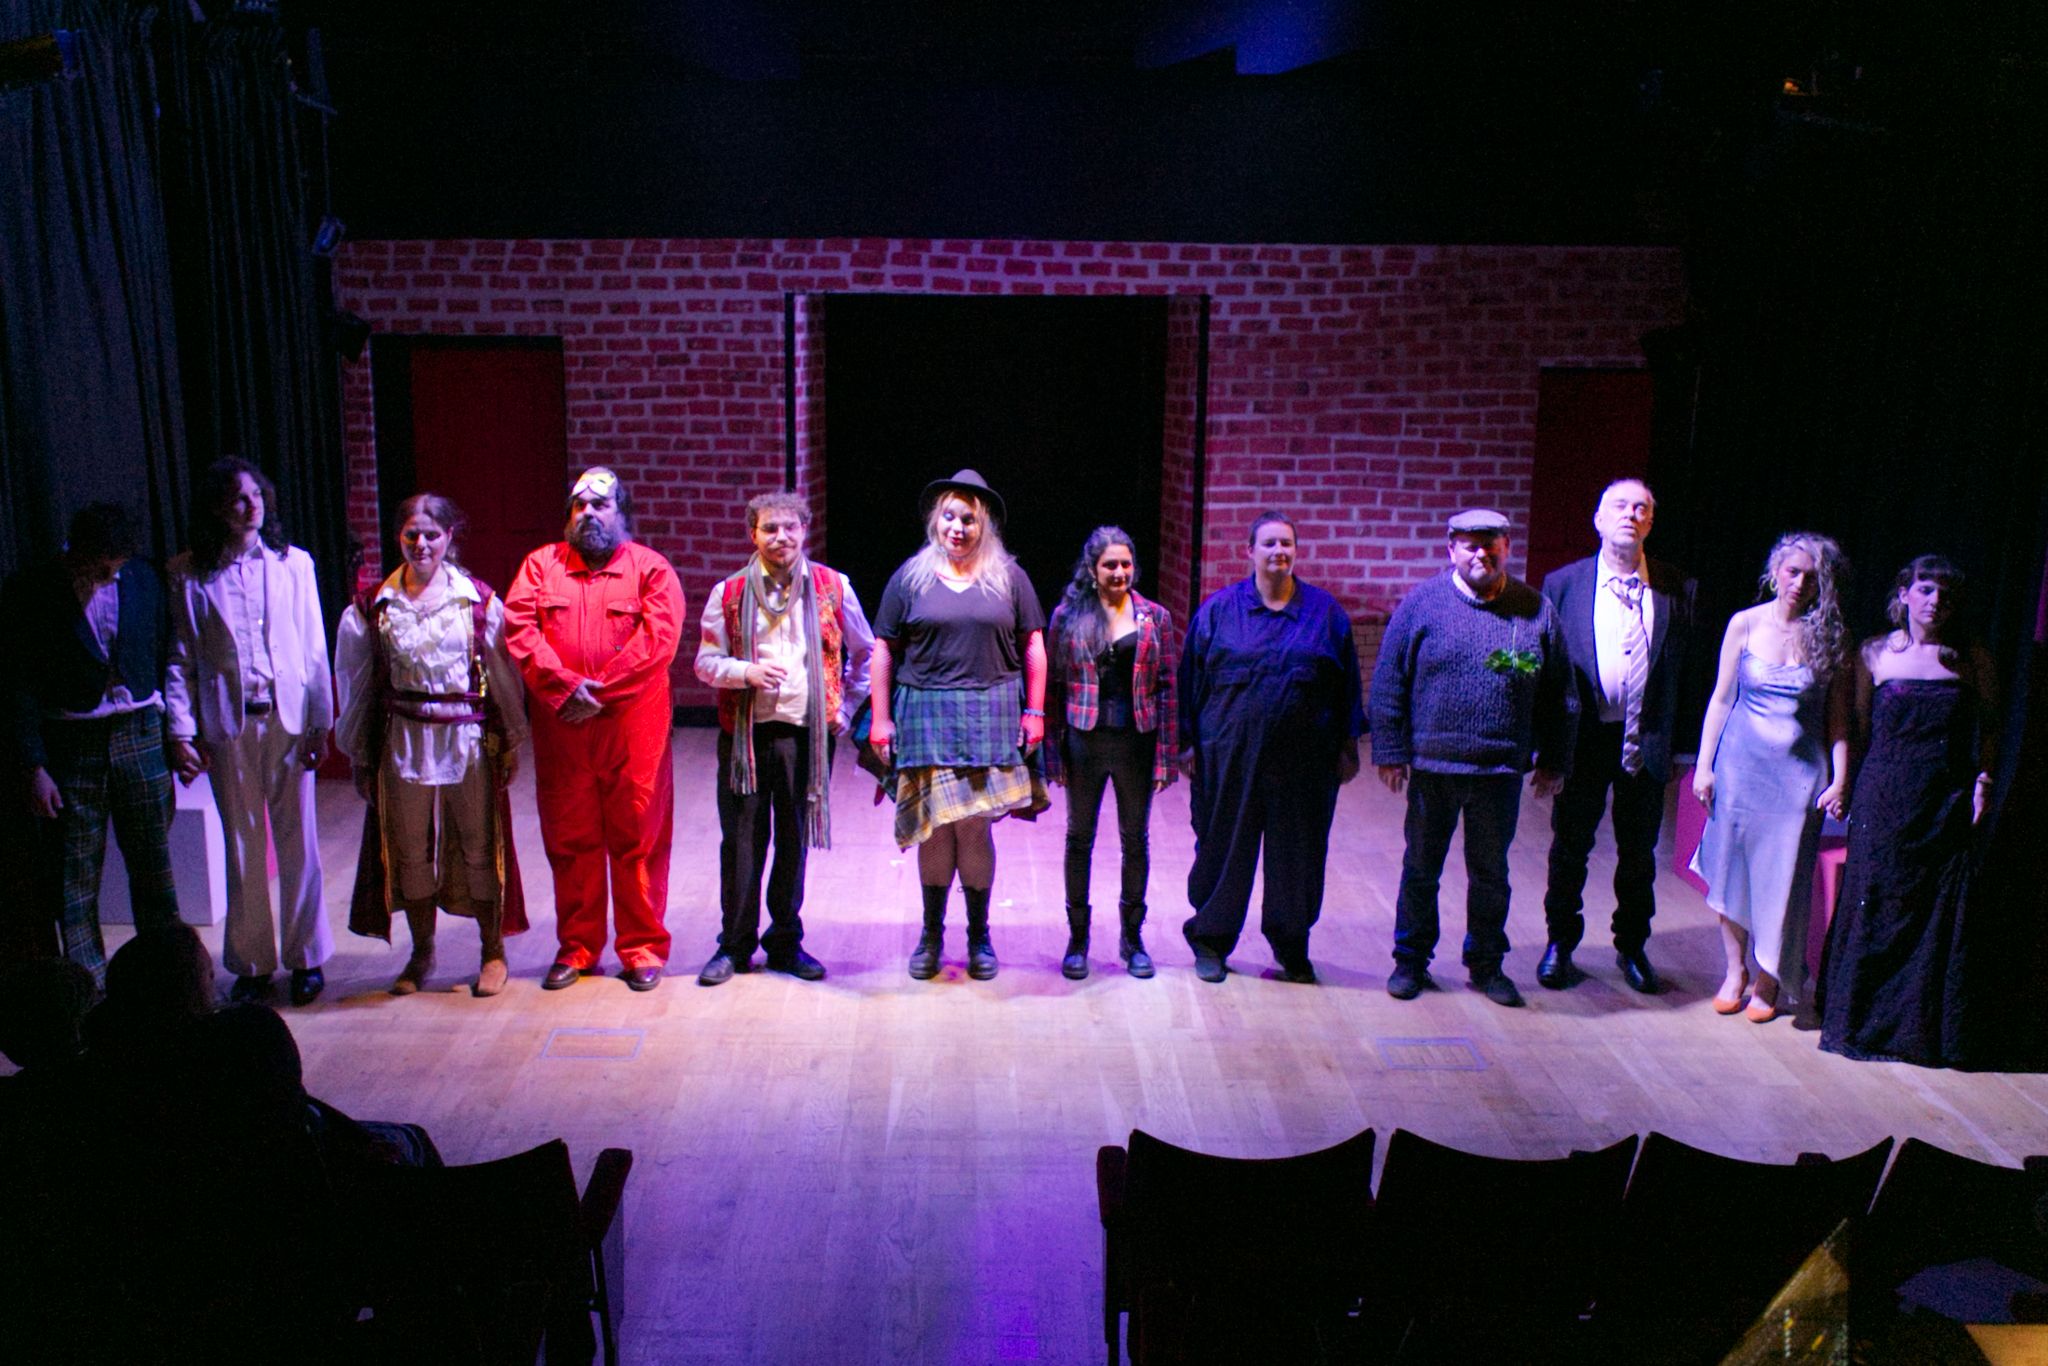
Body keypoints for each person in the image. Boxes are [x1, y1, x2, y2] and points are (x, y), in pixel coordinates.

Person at [1371, 508, 1576, 1008]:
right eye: (1470, 544)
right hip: (1433, 767)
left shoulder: (1535, 609)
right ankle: (1410, 960)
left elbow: (1560, 694)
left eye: (1491, 543)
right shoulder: (1422, 604)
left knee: (1490, 874)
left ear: (1507, 547)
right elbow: (1389, 679)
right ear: (1451, 549)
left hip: (1499, 771)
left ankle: (1486, 965)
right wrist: (1391, 750)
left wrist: (1554, 759)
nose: (1481, 553)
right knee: (1421, 869)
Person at [336, 494, 530, 997]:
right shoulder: (374, 606)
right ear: (398, 537)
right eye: (411, 534)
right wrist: (360, 753)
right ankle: (422, 951)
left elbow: (503, 675)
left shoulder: (477, 602)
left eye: (431, 534)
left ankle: (492, 951)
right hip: (405, 738)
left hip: (465, 739)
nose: (421, 544)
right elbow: (358, 684)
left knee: (478, 844)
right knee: (410, 850)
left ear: (449, 536)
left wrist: (510, 739)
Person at [504, 467, 685, 992]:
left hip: (632, 728)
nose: (588, 514)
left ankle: (642, 947)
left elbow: (659, 641)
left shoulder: (651, 569)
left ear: (621, 515)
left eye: (600, 506)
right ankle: (577, 947)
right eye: (579, 506)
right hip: (563, 729)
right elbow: (520, 628)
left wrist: (596, 694)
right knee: (570, 840)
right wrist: (564, 688)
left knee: (639, 837)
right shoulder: (540, 566)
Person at [1818, 555, 2000, 1067]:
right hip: (1884, 794)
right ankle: (1860, 1021)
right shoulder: (1873, 653)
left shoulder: (1972, 658)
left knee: (1932, 911)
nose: (1935, 601)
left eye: (1945, 593)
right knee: (1876, 901)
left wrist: (1983, 782)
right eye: (1925, 589)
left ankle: (1916, 1031)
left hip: (1943, 800)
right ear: (1903, 594)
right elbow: (1858, 727)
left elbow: (1990, 727)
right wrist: (1844, 784)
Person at [868, 469, 1048, 981]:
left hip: (991, 711)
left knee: (973, 825)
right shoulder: (911, 577)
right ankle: (931, 934)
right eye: (949, 516)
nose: (958, 527)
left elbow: (1034, 645)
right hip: (925, 711)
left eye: (969, 519)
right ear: (936, 521)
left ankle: (978, 935)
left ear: (983, 525)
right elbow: (884, 648)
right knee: (934, 825)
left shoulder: (1008, 577)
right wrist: (880, 719)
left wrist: (1035, 711)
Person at [166, 460, 333, 1007]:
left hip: (288, 720)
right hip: (228, 726)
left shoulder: (294, 564)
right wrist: (182, 730)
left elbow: (313, 647)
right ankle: (253, 962)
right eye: (238, 498)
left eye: (257, 494)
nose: (251, 505)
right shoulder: (189, 574)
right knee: (242, 845)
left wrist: (320, 722)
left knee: (298, 841)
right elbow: (183, 656)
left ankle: (307, 958)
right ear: (218, 507)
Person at [692, 491, 874, 986]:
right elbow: (705, 663)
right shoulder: (729, 592)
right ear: (752, 534)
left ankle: (785, 942)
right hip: (746, 738)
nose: (781, 537)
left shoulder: (833, 587)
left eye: (790, 527)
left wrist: (845, 706)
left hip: (805, 735)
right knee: (742, 841)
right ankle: (734, 945)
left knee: (793, 840)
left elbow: (865, 652)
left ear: (804, 531)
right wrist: (745, 672)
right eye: (770, 528)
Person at [1179, 511, 1364, 985]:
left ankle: (1291, 945)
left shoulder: (1324, 613)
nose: (1279, 551)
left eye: (1286, 543)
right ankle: (1211, 940)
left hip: (1304, 764)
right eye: (1269, 543)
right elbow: (1190, 682)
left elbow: (1346, 686)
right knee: (1223, 851)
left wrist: (1348, 745)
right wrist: (1186, 743)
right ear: (1250, 552)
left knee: (1297, 858)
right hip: (1230, 758)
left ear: (1296, 551)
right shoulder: (1219, 612)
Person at [1, 503, 180, 987]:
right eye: (100, 567)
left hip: (139, 732)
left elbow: (163, 652)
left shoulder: (141, 578)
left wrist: (175, 736)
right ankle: (88, 992)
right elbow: (18, 683)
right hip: (73, 742)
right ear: (76, 553)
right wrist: (34, 765)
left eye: (116, 566)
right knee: (75, 879)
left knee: (155, 871)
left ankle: (168, 983)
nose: (109, 575)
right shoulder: (33, 589)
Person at [1539, 478, 1697, 994]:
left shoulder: (1678, 587)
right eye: (1620, 506)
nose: (1631, 514)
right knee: (1570, 848)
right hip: (1584, 739)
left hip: (1645, 741)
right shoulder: (1563, 584)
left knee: (1638, 855)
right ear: (1599, 519)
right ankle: (1560, 943)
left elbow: (1687, 674)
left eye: (1641, 508)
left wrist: (1682, 747)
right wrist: (1546, 747)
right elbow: (1547, 669)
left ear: (1651, 522)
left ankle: (1631, 947)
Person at [1689, 533, 1850, 1022]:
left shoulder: (1829, 637)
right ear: (1776, 571)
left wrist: (1840, 779)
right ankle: (1735, 970)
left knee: (1783, 878)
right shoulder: (1745, 622)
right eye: (1793, 571)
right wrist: (1704, 764)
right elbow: (1721, 699)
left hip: (1798, 776)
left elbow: (1838, 720)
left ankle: (1770, 977)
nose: (1800, 583)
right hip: (1740, 768)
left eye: (1811, 577)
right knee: (1731, 867)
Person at [1045, 527, 1179, 980]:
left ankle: (1132, 938)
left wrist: (1165, 757)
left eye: (1126, 564)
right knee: (1079, 838)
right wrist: (1052, 754)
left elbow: (1167, 688)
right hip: (1084, 742)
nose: (1120, 572)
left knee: (1135, 840)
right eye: (1110, 565)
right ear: (1093, 568)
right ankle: (1077, 938)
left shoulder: (1155, 617)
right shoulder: (1068, 616)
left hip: (1136, 742)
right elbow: (1053, 687)